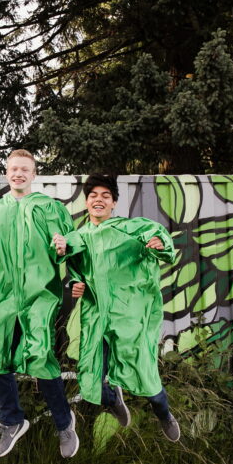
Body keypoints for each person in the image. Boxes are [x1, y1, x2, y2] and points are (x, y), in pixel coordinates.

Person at [0, 149, 79, 458]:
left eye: (24, 169)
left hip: (40, 292)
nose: (18, 173)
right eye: (13, 169)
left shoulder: (50, 208)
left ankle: (65, 424)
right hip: (6, 292)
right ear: (6, 173)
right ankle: (12, 420)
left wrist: (62, 247)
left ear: (34, 174)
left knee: (39, 354)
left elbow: (71, 244)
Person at [52, 173, 181, 442]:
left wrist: (160, 245)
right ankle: (112, 400)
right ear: (86, 202)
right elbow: (76, 271)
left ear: (114, 204)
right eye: (93, 196)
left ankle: (164, 413)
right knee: (92, 378)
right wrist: (76, 284)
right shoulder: (78, 237)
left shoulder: (131, 229)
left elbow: (160, 239)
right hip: (97, 315)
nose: (99, 200)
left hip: (128, 316)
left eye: (105, 196)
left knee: (145, 376)